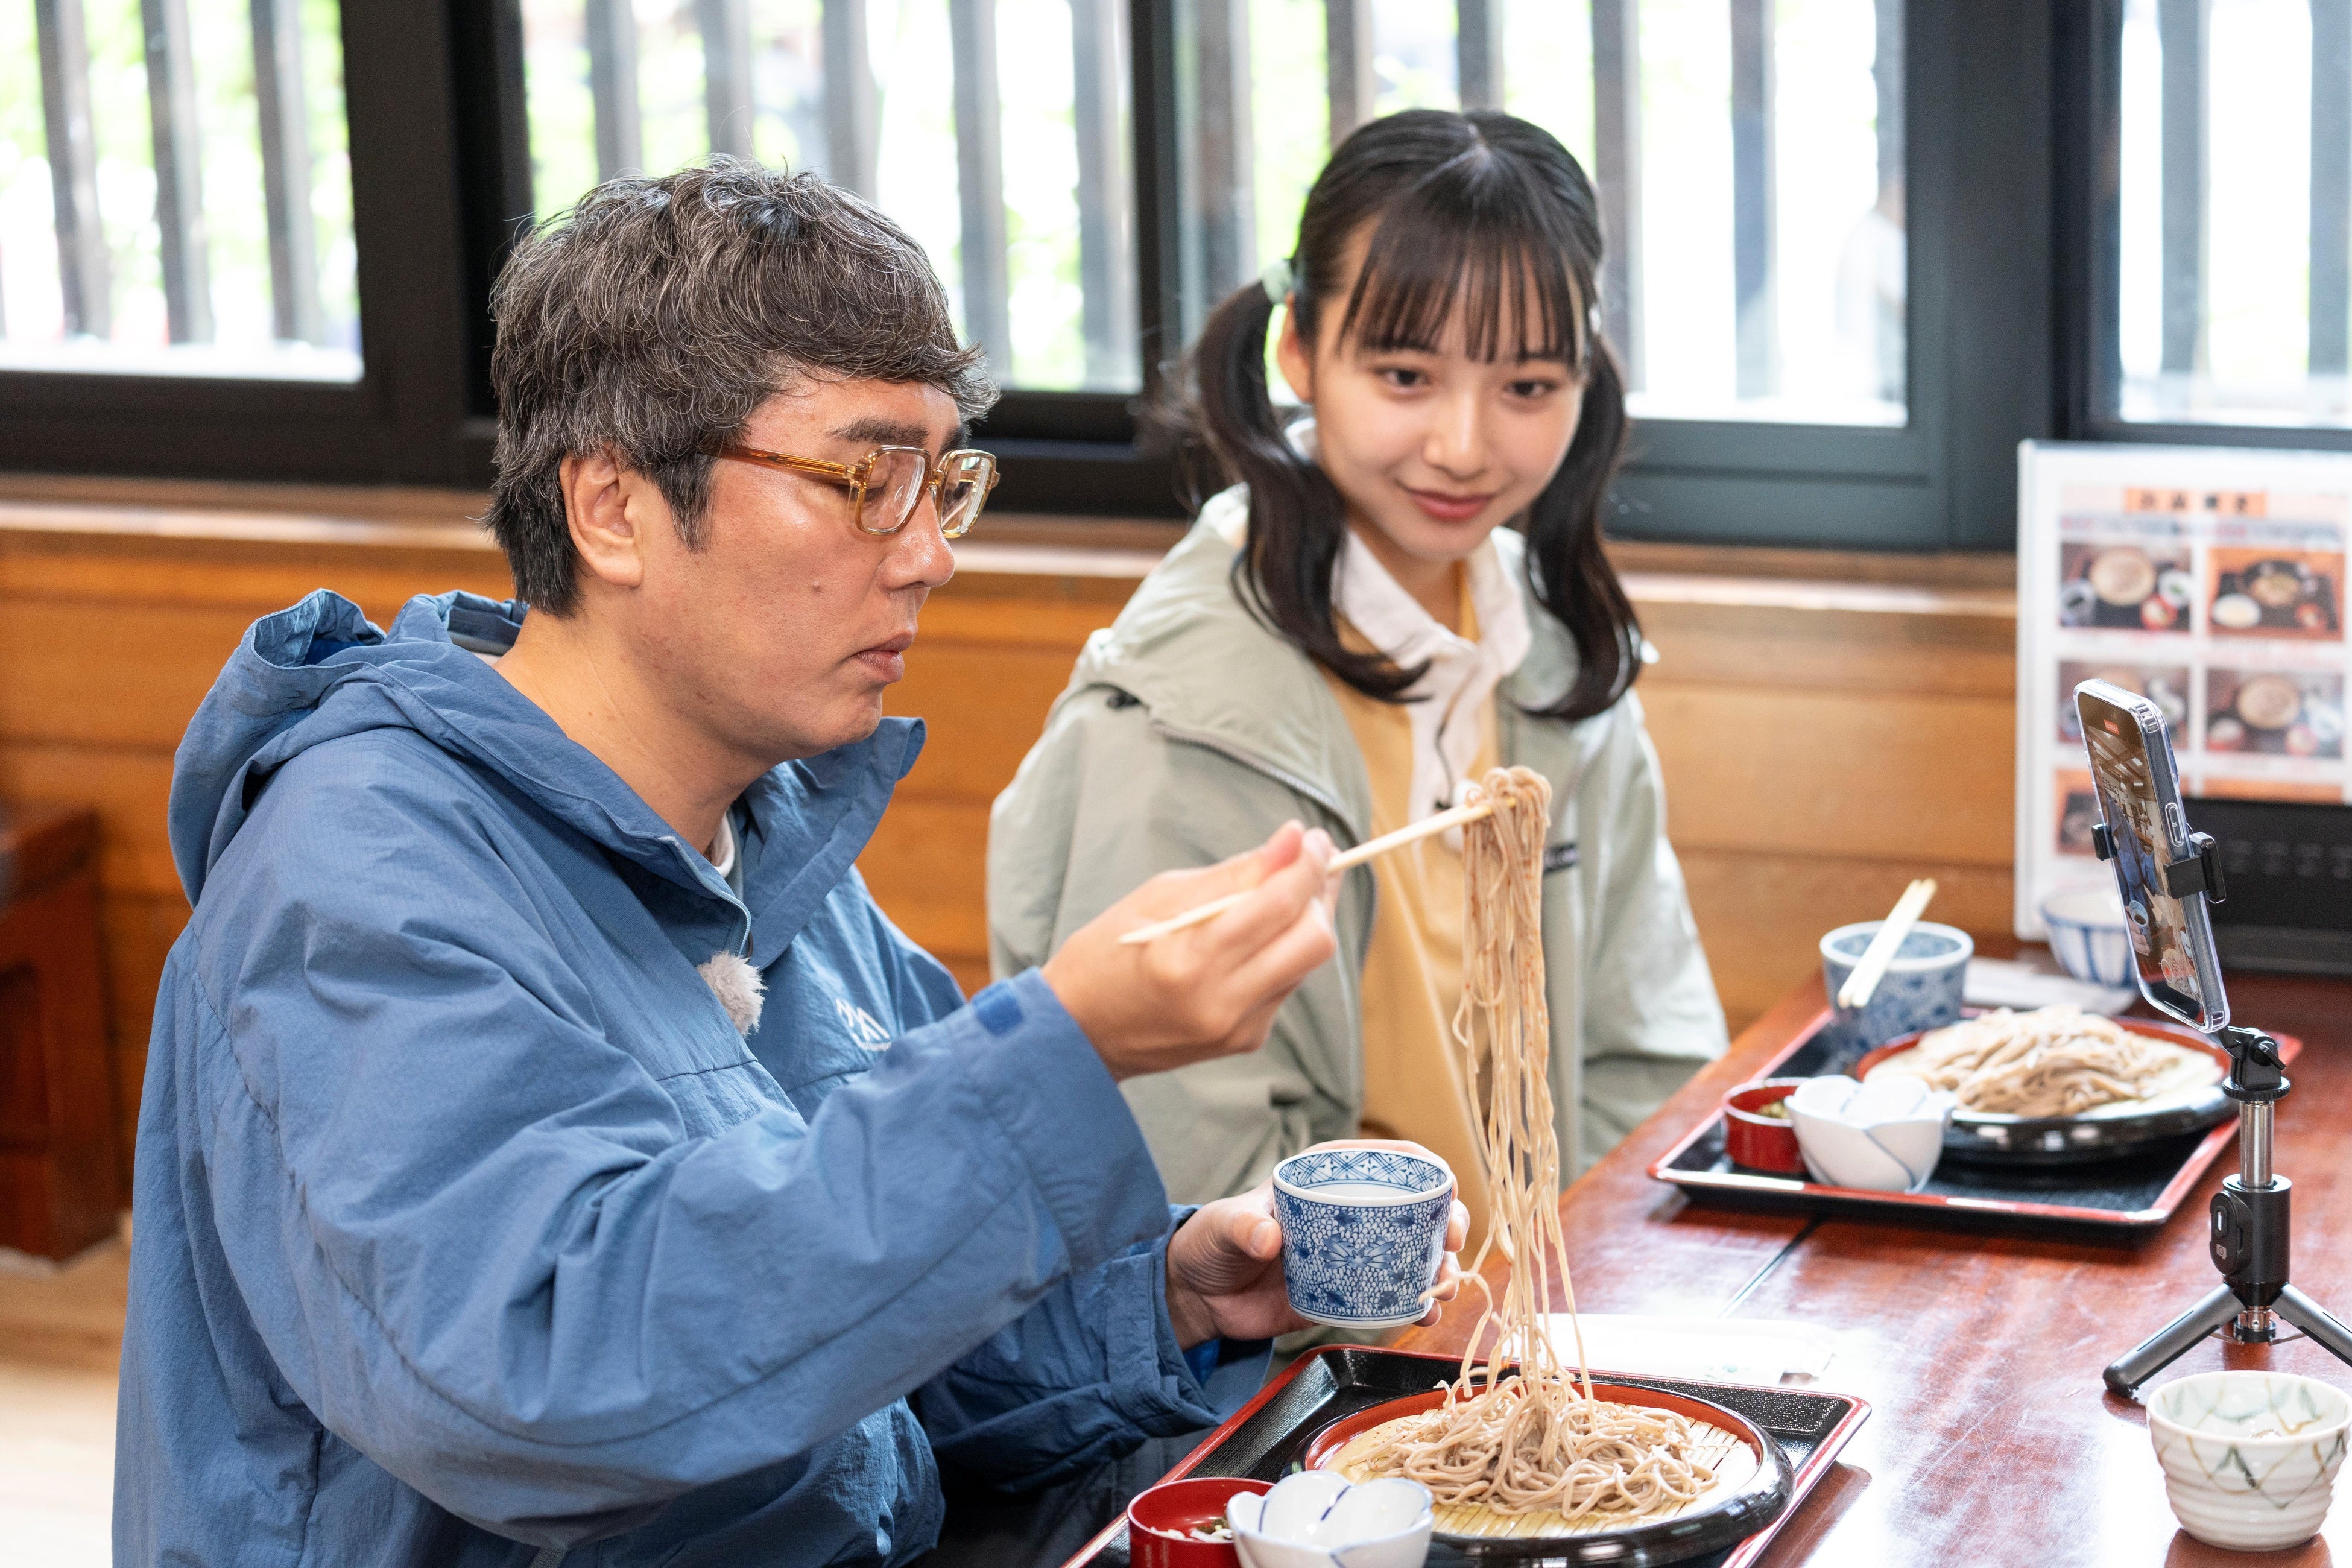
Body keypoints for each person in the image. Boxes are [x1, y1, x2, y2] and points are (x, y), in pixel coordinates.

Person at [113, 162, 1468, 1567]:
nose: (932, 553)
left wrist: (1170, 1297)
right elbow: (560, 1379)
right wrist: (1057, 1048)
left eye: (944, 482)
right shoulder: (358, 874)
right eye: (862, 480)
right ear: (614, 508)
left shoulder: (760, 822)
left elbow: (857, 1361)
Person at [990, 111, 1729, 1222]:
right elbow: (1183, 1186)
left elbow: (1650, 1062)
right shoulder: (1182, 712)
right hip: (1306, 1368)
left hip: (1563, 1332)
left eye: (1528, 387)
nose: (1465, 446)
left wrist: (1595, 1296)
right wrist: (1446, 1337)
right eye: (1404, 374)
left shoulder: (1558, 655)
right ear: (1297, 347)